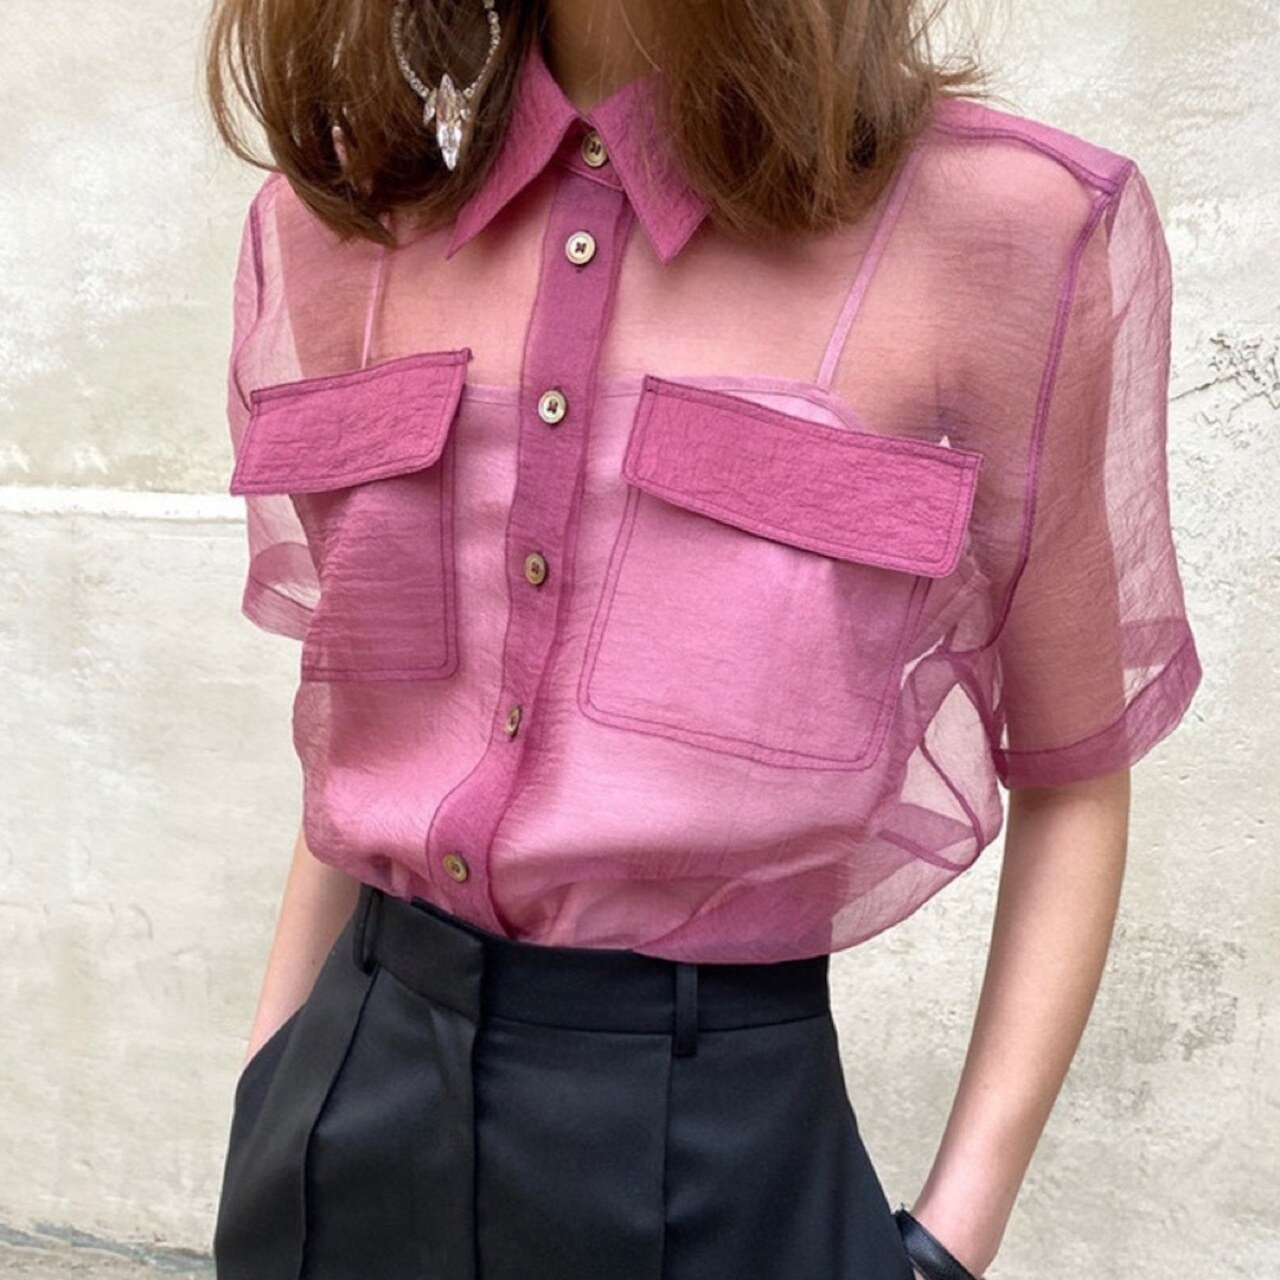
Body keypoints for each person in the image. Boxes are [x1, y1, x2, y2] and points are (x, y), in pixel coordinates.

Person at [204, 0, 1204, 1277]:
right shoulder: (339, 222)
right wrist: (269, 1085)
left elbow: (1071, 773)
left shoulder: (999, 231)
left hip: (718, 1139)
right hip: (347, 1102)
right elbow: (364, 723)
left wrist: (948, 1241)